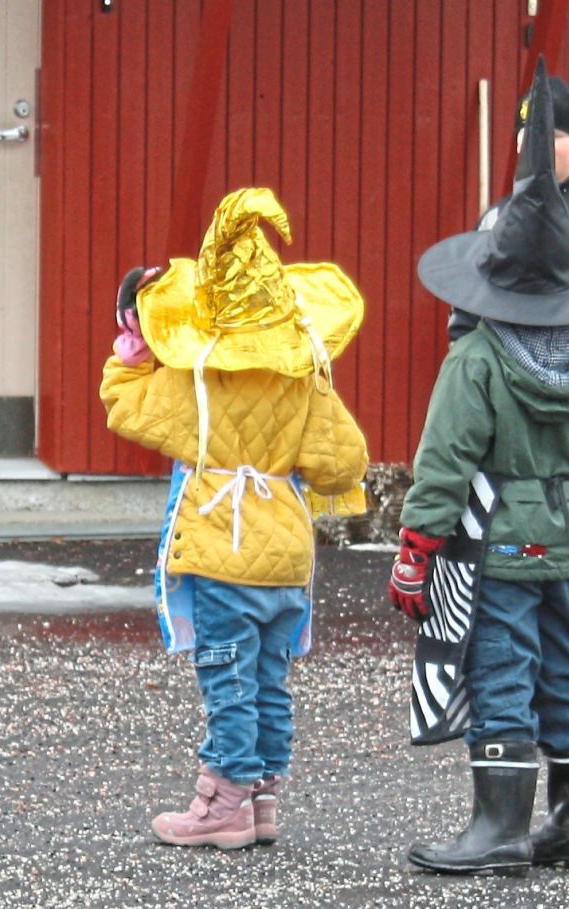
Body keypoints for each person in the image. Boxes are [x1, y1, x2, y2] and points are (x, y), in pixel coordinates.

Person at [390, 62, 569, 877]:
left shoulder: (478, 362)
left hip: (499, 539)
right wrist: (564, 488)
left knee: (501, 659)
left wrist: (417, 547)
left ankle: (499, 825)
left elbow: (444, 461)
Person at [100, 187, 369, 850]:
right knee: (269, 678)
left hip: (224, 546)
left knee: (227, 676)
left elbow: (124, 405)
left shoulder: (201, 379)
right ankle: (261, 798)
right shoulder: (305, 377)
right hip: (285, 551)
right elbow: (344, 462)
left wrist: (132, 350)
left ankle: (221, 801)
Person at [448, 71, 569, 651]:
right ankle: (502, 601)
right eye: (531, 134)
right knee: (506, 511)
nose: (540, 146)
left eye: (554, 134)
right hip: (506, 399)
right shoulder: (495, 221)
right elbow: (467, 321)